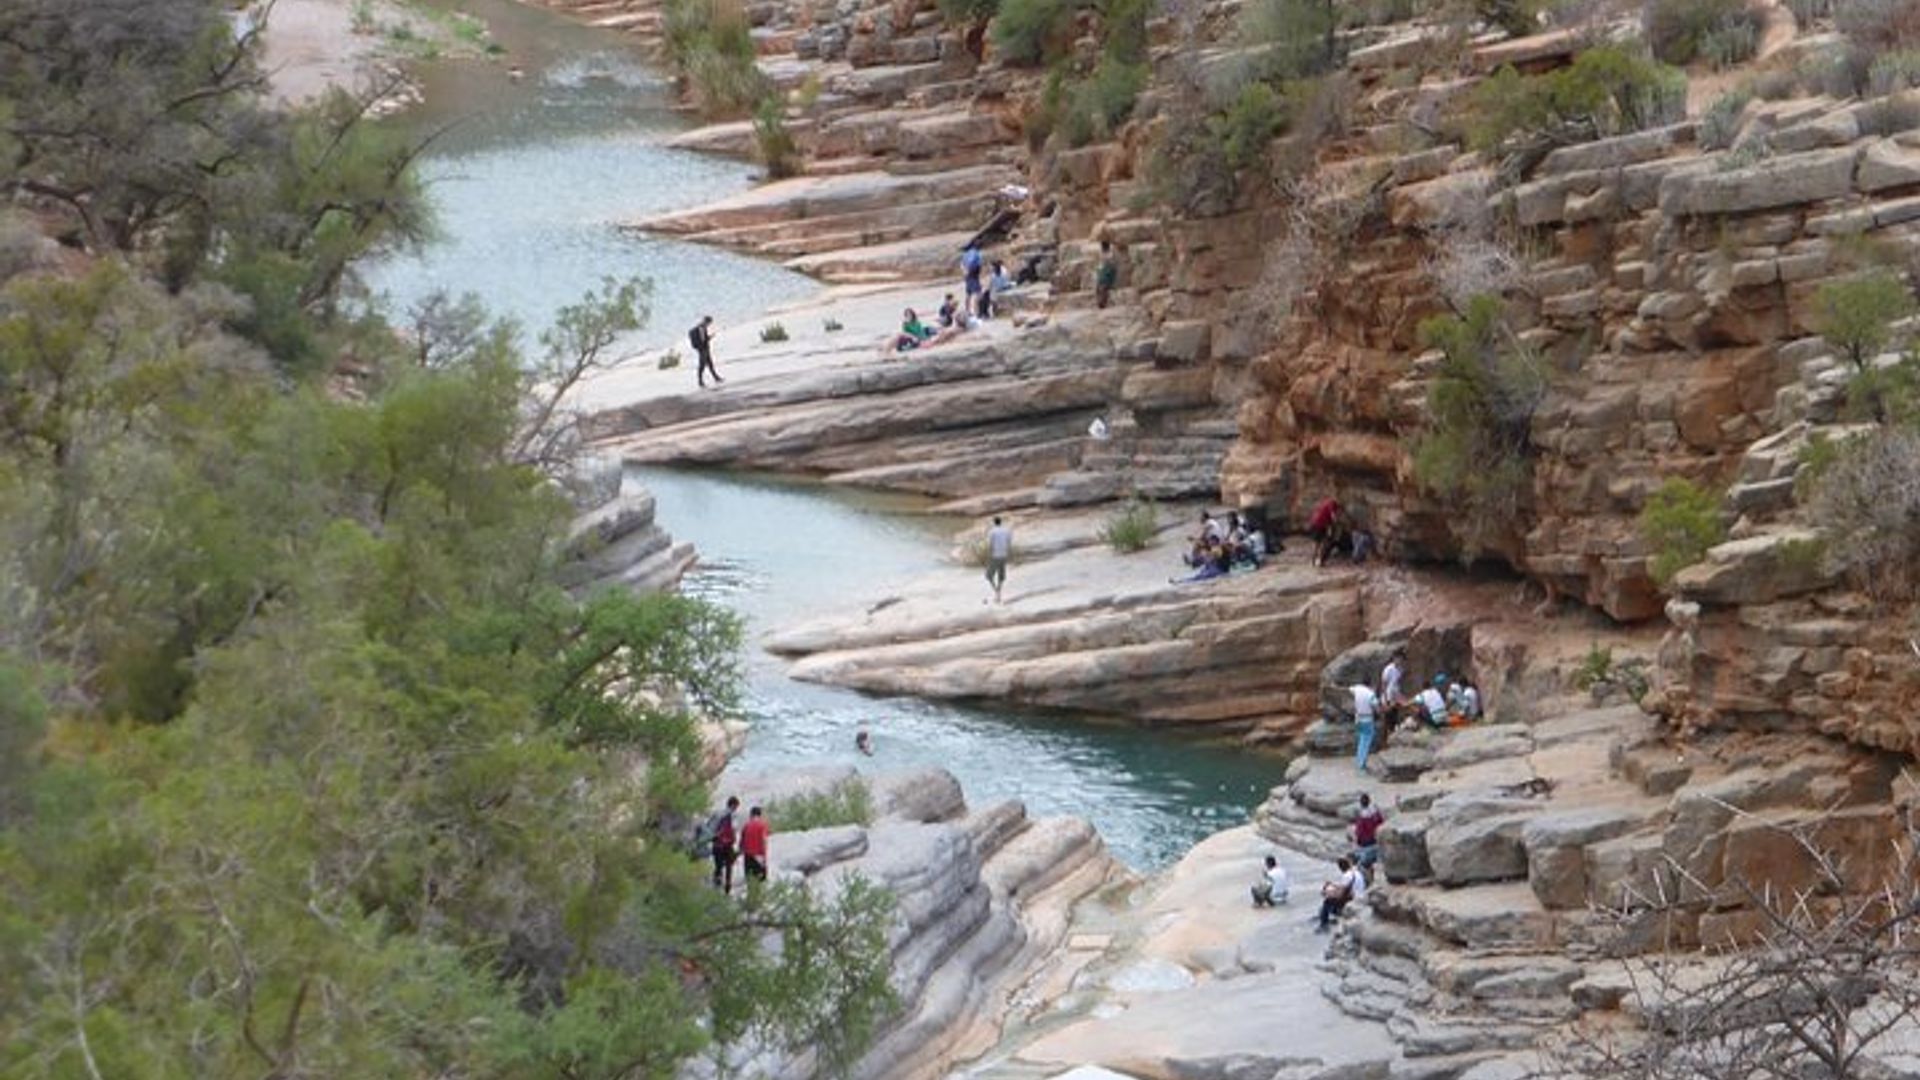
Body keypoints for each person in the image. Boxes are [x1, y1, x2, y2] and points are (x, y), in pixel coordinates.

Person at [1315, 856, 1365, 932]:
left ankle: (1323, 924)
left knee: (1327, 901)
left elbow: (1341, 894)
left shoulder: (1346, 876)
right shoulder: (1356, 872)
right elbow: (1345, 887)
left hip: (1353, 898)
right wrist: (1333, 885)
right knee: (1332, 896)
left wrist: (1326, 893)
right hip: (1360, 895)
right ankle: (1331, 915)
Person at [707, 795, 740, 894]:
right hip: (728, 845)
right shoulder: (732, 815)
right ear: (733, 805)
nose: (736, 809)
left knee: (718, 866)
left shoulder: (717, 814)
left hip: (717, 845)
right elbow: (734, 829)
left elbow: (709, 828)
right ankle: (727, 887)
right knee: (729, 866)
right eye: (736, 807)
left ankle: (717, 886)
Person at [1351, 794, 1385, 872]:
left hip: (1365, 843)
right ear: (1369, 801)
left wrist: (1356, 839)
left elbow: (1359, 832)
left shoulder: (1362, 816)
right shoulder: (1375, 812)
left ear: (1361, 803)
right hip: (1375, 839)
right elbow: (1381, 821)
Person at [1351, 682, 1379, 773]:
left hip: (1358, 719)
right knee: (1366, 741)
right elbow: (1375, 705)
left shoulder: (1356, 688)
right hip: (1367, 719)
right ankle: (1362, 764)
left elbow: (1349, 691)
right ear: (1371, 686)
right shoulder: (1370, 694)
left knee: (1361, 740)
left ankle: (1359, 760)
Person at [985, 515, 1013, 603]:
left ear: (994, 522)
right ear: (1001, 522)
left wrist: (988, 556)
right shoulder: (1007, 530)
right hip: (1004, 555)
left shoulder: (992, 532)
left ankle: (997, 592)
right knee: (1001, 576)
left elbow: (990, 545)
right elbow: (1009, 543)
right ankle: (999, 592)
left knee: (989, 576)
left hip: (995, 556)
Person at [689, 315, 721, 388]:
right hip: (703, 349)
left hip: (704, 348)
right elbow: (703, 340)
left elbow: (703, 338)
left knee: (709, 364)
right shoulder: (701, 328)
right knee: (702, 365)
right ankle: (700, 381)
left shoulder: (701, 327)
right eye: (709, 323)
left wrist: (708, 338)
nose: (709, 325)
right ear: (707, 322)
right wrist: (710, 337)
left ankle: (715, 377)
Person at [740, 805, 769, 885]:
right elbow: (763, 840)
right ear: (760, 815)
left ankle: (751, 896)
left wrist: (740, 852)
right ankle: (758, 896)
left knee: (750, 879)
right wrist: (764, 857)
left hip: (748, 855)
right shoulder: (762, 825)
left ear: (751, 814)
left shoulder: (746, 825)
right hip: (759, 855)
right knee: (760, 880)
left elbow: (742, 842)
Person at [1094, 240, 1118, 309]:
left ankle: (1102, 302)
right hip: (1104, 274)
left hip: (1106, 275)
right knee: (1100, 288)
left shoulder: (1109, 255)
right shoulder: (1107, 255)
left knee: (1102, 288)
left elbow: (1111, 268)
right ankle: (1101, 301)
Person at [962, 242, 984, 314]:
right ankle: (976, 311)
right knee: (978, 293)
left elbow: (962, 264)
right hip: (973, 274)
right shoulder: (976, 253)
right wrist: (969, 270)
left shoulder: (966, 254)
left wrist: (965, 272)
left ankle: (967, 310)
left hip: (968, 275)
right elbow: (973, 263)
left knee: (968, 293)